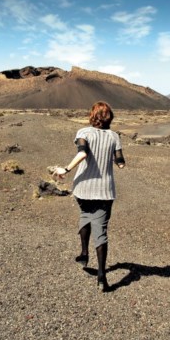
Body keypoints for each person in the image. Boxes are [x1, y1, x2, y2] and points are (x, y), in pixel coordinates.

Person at [53, 101, 125, 292]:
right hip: (105, 191)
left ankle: (84, 253)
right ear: (109, 117)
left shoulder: (83, 132)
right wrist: (112, 158)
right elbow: (120, 162)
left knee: (85, 215)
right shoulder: (114, 136)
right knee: (101, 229)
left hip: (83, 187)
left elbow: (83, 153)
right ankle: (102, 277)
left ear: (92, 116)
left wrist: (66, 169)